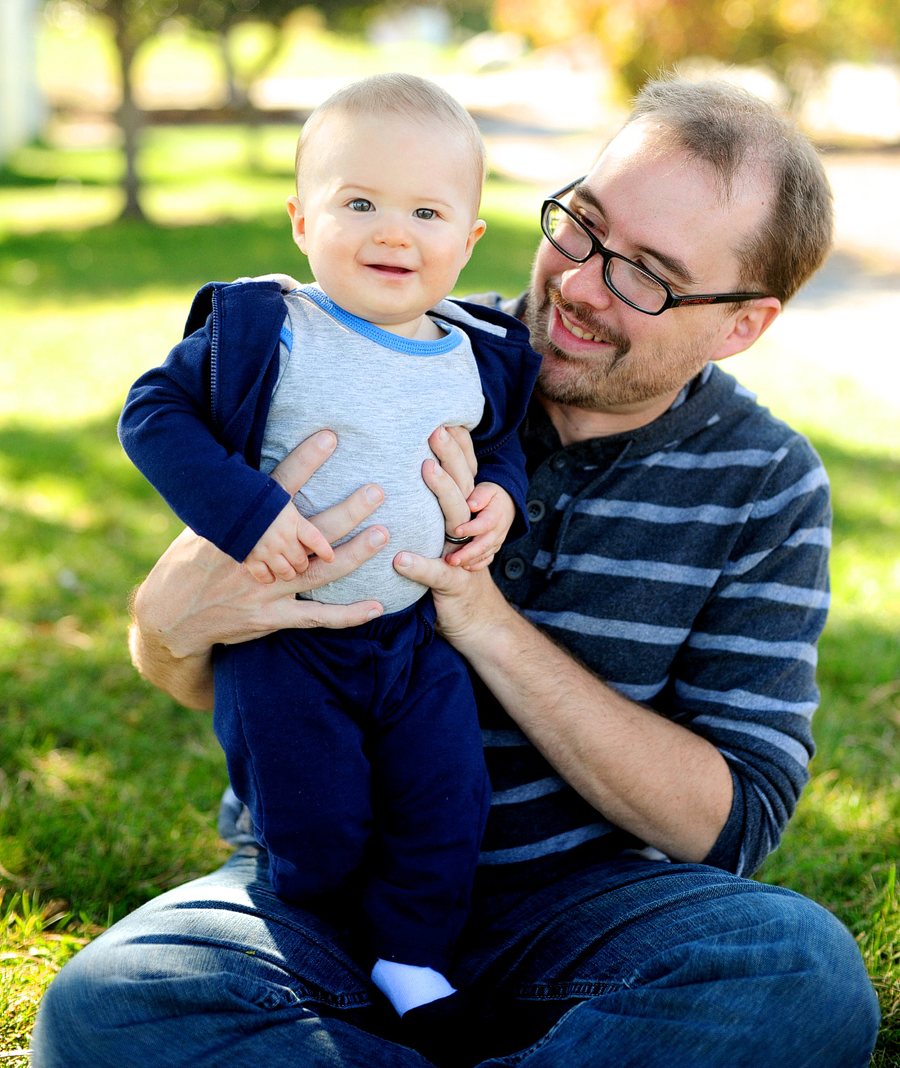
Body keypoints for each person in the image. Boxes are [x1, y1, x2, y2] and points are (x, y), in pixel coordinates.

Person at [32, 77, 880, 1068]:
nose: (580, 285)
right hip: (319, 900)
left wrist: (482, 618)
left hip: (587, 912)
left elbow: (730, 825)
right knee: (106, 1011)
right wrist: (171, 622)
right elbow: (177, 637)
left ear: (743, 323)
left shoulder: (767, 483)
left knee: (798, 973)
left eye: (647, 274)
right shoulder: (394, 342)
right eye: (582, 226)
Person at [116, 73, 541, 1051]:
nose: (393, 233)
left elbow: (503, 438)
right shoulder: (268, 328)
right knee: (315, 814)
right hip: (287, 640)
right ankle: (317, 940)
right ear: (302, 219)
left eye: (427, 212)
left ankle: (410, 957)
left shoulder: (477, 350)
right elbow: (154, 416)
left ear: (469, 238)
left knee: (447, 798)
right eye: (360, 204)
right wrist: (250, 514)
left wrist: (500, 497)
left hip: (413, 639)